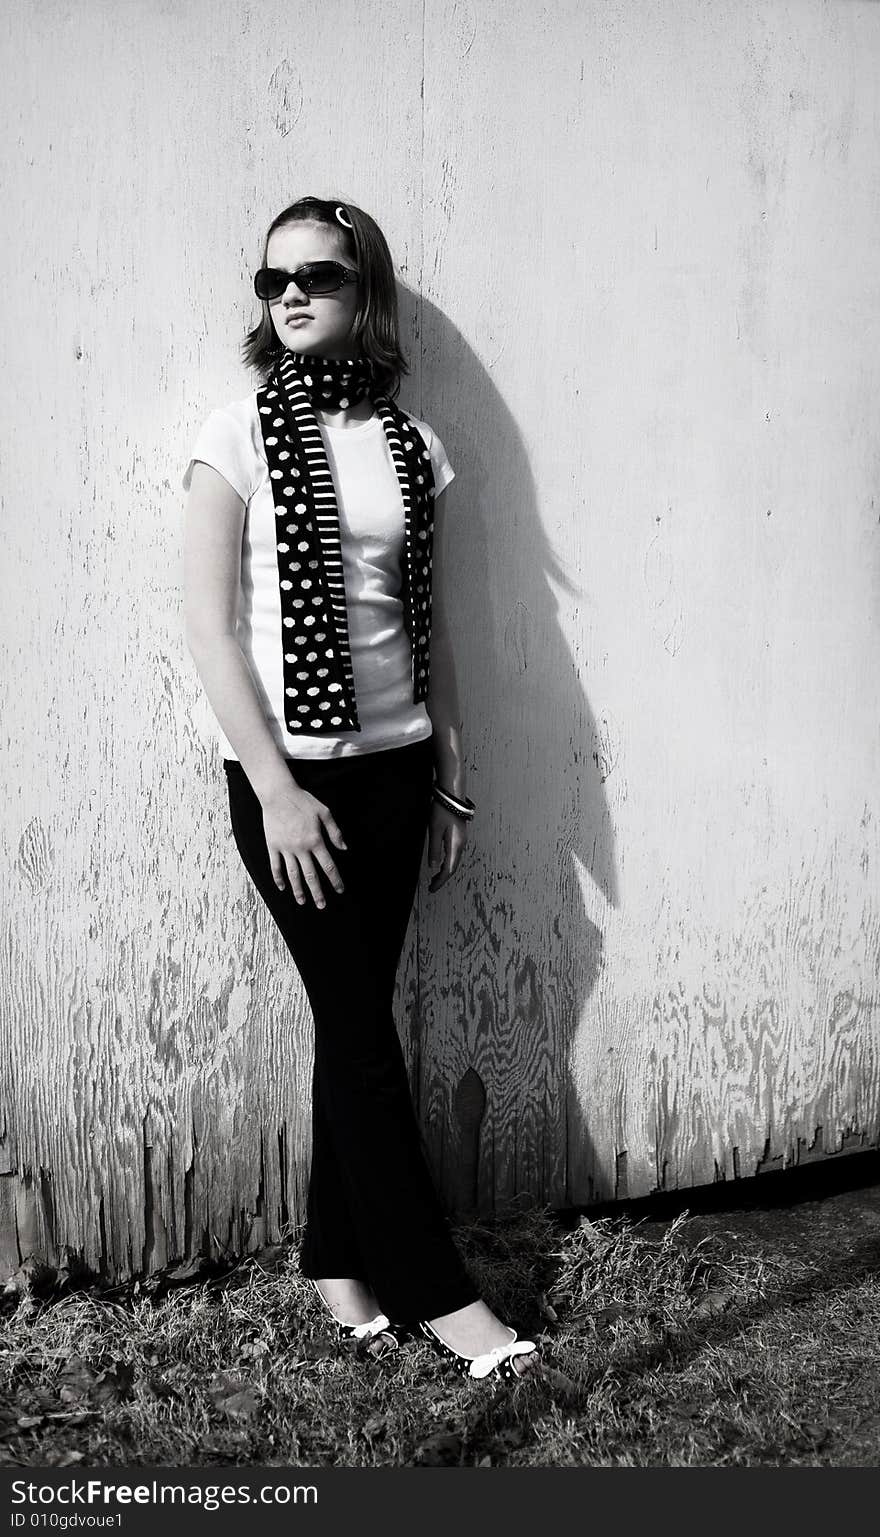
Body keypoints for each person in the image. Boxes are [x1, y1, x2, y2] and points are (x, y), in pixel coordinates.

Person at [182, 194, 541, 1383]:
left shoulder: (412, 447)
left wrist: (451, 767)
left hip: (396, 772)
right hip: (294, 781)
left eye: (319, 276)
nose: (289, 293)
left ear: (365, 293)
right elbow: (208, 627)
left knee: (354, 1017)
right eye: (271, 277)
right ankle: (446, 1301)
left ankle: (336, 1256)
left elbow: (427, 625)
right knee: (361, 1029)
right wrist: (276, 791)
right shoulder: (235, 438)